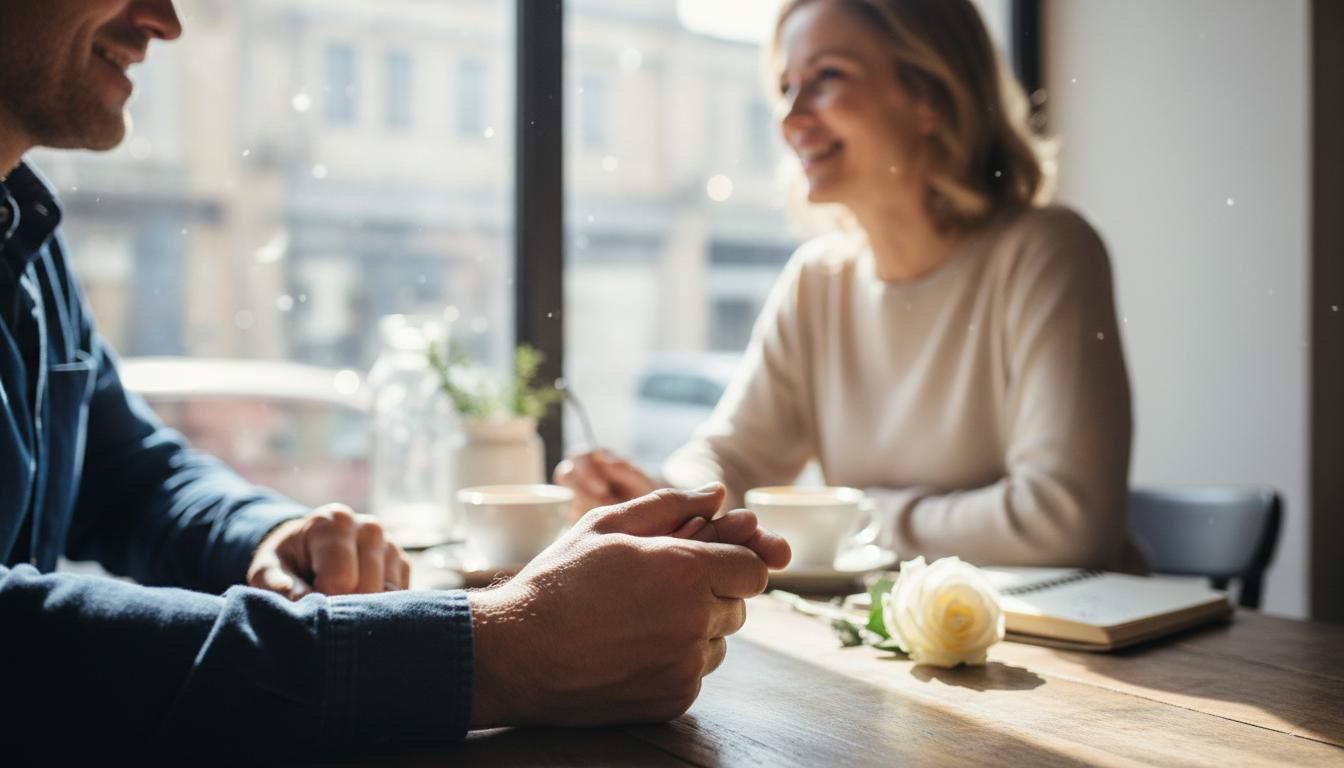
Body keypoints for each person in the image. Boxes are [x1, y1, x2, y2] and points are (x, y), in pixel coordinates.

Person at [0, 0, 789, 759]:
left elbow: (130, 475)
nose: (164, 20)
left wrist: (272, 538)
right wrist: (499, 650)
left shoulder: (27, 236)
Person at [558, 0, 1141, 572]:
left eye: (827, 77)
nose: (789, 119)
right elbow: (733, 457)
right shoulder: (818, 282)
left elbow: (1066, 523)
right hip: (899, 640)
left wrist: (846, 517)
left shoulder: (1047, 252)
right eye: (787, 87)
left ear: (929, 96)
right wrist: (657, 499)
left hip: (1075, 647)